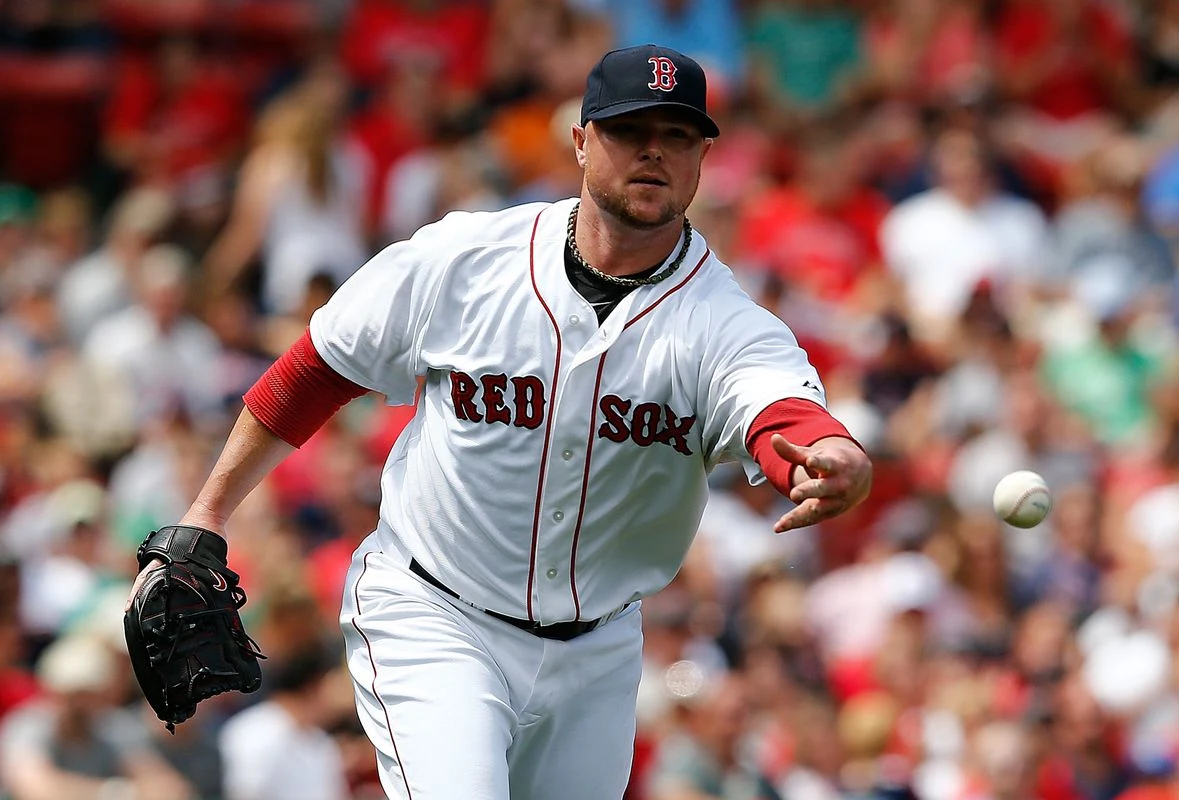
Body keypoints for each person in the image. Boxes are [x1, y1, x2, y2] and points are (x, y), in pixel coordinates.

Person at [126, 44, 872, 800]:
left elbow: (779, 408)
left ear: (703, 157)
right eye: (628, 130)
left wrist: (827, 452)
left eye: (677, 135)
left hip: (598, 649)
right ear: (580, 141)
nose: (653, 151)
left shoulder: (722, 319)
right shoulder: (465, 259)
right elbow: (316, 369)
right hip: (435, 612)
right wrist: (207, 512)